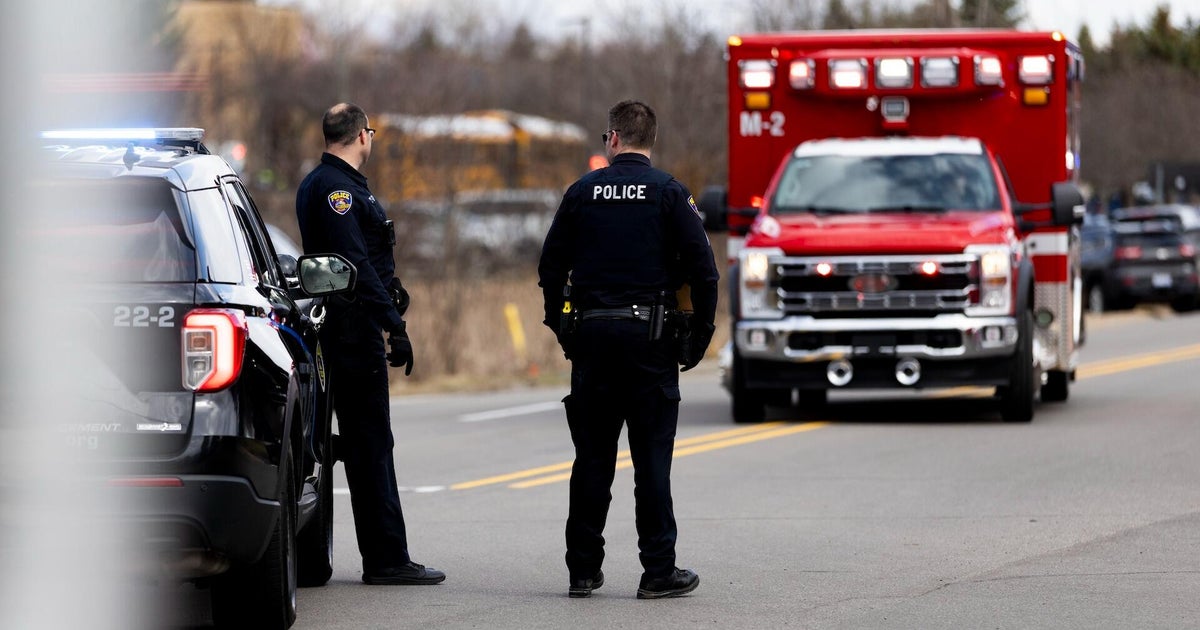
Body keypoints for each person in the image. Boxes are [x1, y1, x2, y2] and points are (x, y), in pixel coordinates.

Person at [538, 100, 719, 600]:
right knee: (651, 462)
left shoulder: (581, 193)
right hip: (650, 343)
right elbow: (705, 272)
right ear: (650, 141)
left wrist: (563, 329)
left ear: (613, 139)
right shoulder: (668, 193)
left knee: (592, 460)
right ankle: (658, 572)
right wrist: (698, 338)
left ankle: (582, 571)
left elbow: (550, 268)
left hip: (593, 342)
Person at [296, 102, 445, 586]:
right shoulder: (338, 191)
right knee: (371, 444)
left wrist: (392, 292)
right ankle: (386, 558)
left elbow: (363, 261)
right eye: (371, 132)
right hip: (352, 332)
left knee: (353, 444)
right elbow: (352, 266)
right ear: (362, 135)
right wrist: (393, 326)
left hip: (342, 327)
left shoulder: (324, 184)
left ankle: (380, 553)